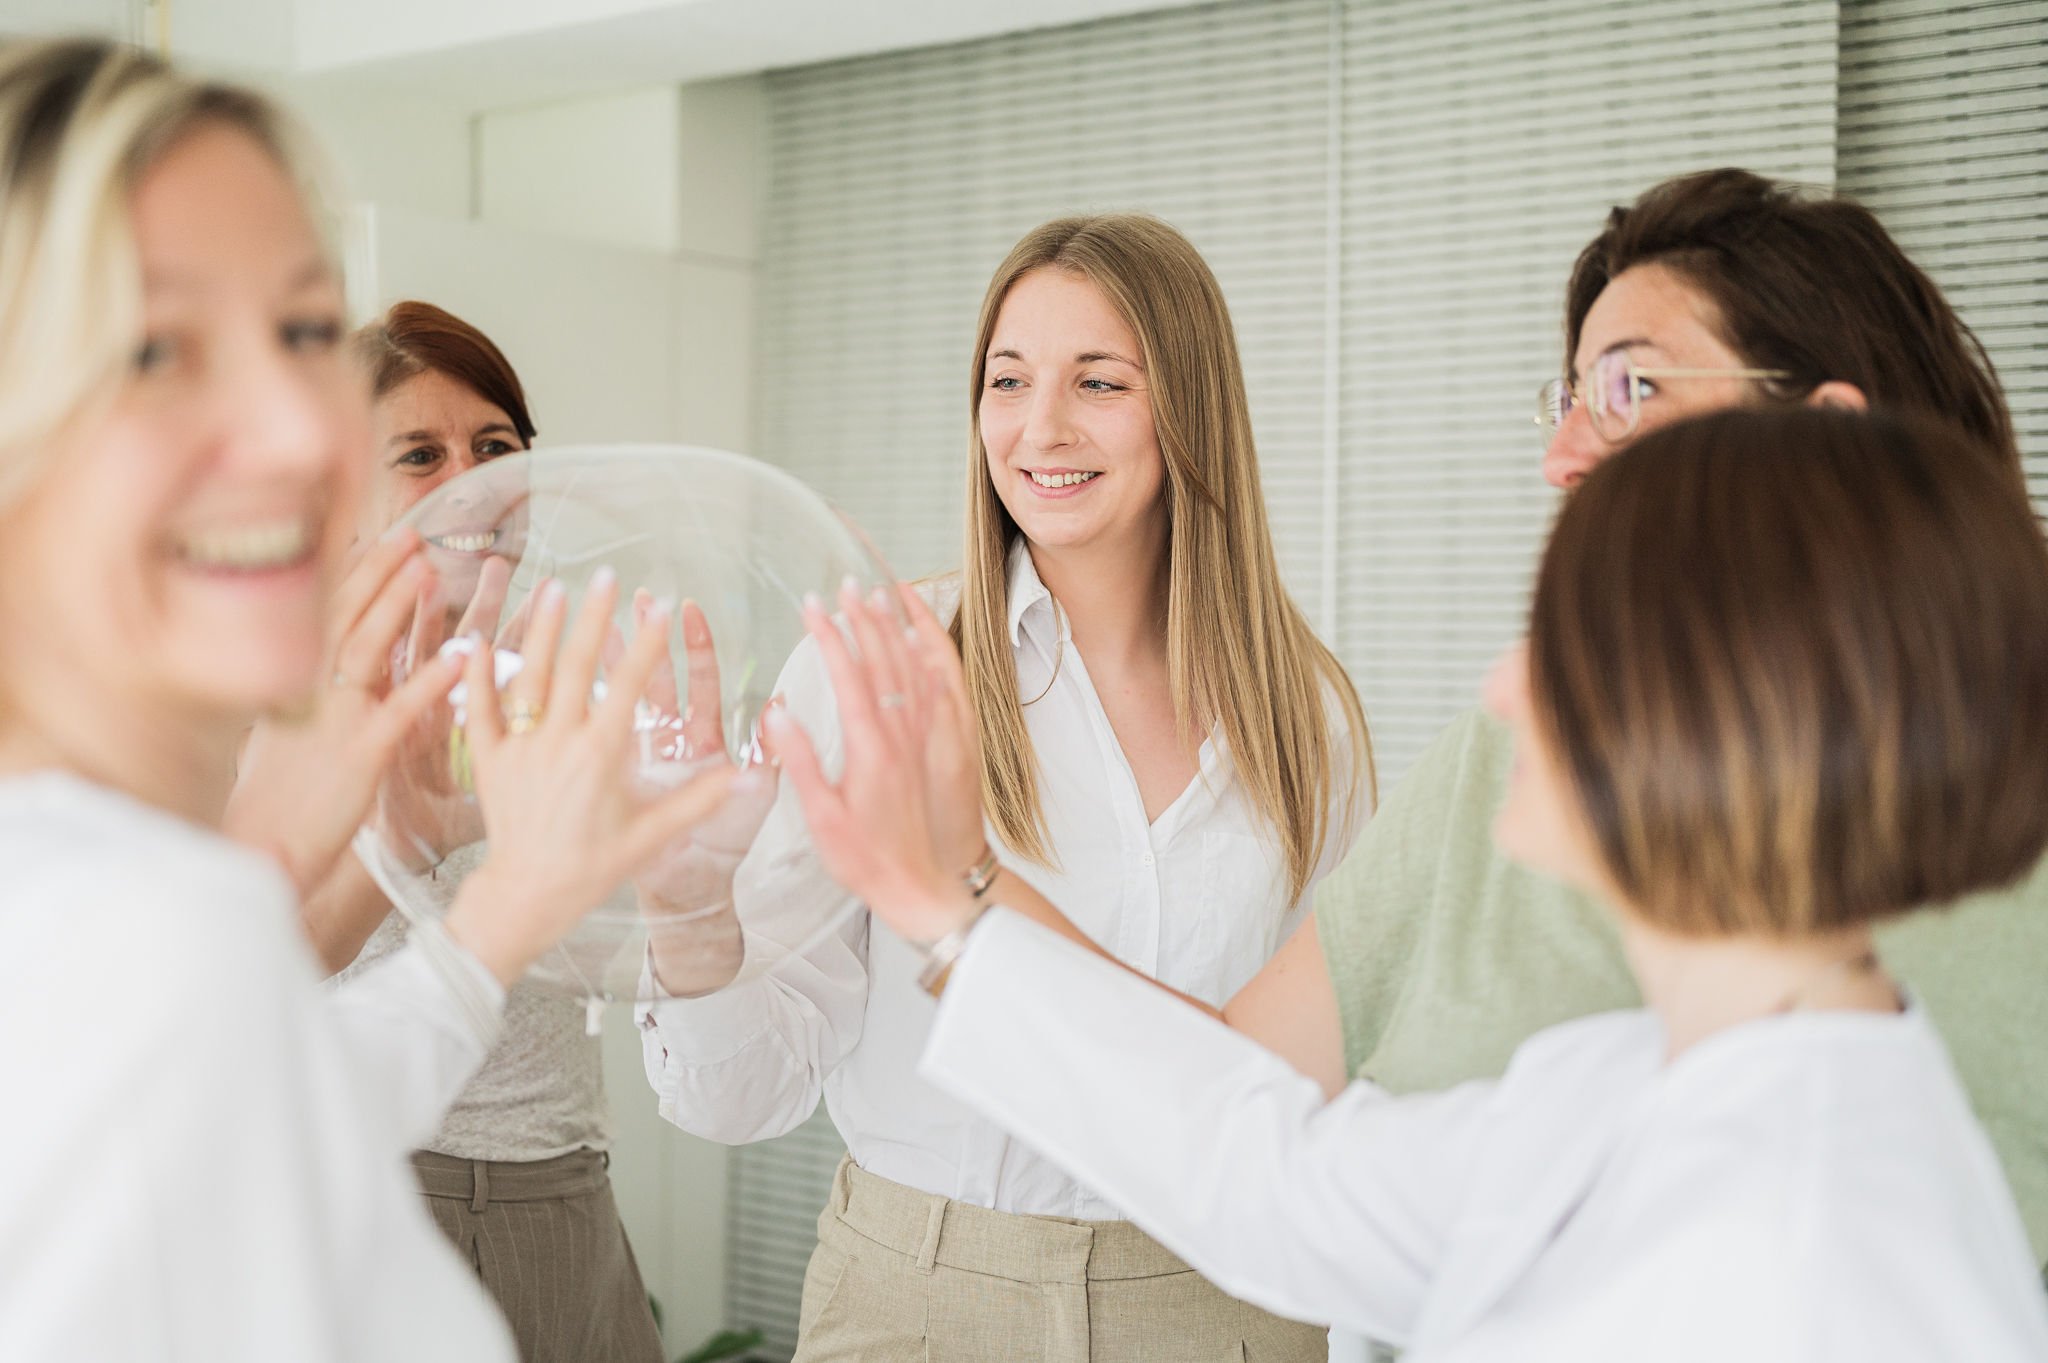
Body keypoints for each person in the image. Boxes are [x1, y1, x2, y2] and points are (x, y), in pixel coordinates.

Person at [791, 169, 2048, 1264]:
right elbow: (1263, 1138)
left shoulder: (1857, 1193)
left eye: (1627, 384)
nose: (1562, 451)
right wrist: (948, 889)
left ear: (1825, 438)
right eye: (1560, 394)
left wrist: (951, 896)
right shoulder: (1562, 1037)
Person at [0, 39, 727, 1360]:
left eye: (300, 333)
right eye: (161, 347)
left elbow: (248, 1108)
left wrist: (468, 903)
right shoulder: (109, 912)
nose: (294, 427)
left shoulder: (157, 890)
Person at [637, 214, 1371, 1361]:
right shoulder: (879, 666)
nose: (1041, 427)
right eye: (1008, 379)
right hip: (919, 1300)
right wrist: (688, 914)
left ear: (1190, 404)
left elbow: (1310, 1074)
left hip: (1219, 1305)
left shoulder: (1304, 721)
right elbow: (741, 1096)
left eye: (1099, 381)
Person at [289, 301, 662, 1363]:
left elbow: (629, 935)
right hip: (393, 1189)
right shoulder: (283, 698)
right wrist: (405, 836)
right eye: (420, 453)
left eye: (496, 447)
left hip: (573, 1188)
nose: (473, 479)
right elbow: (263, 966)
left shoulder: (566, 671)